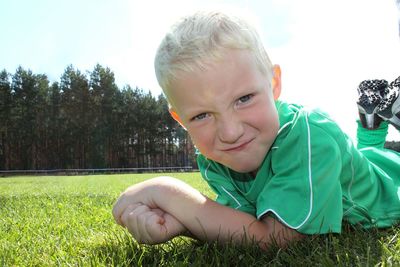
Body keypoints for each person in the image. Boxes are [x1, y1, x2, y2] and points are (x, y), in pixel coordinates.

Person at [112, 10, 400, 250]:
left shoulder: (309, 135)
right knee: (364, 158)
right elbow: (242, 221)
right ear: (180, 119)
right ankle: (371, 124)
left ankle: (372, 129)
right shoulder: (218, 158)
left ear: (274, 84)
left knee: (376, 164)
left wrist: (168, 194)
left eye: (244, 99)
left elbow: (275, 238)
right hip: (359, 164)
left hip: (393, 182)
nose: (230, 131)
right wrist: (179, 222)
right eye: (201, 115)